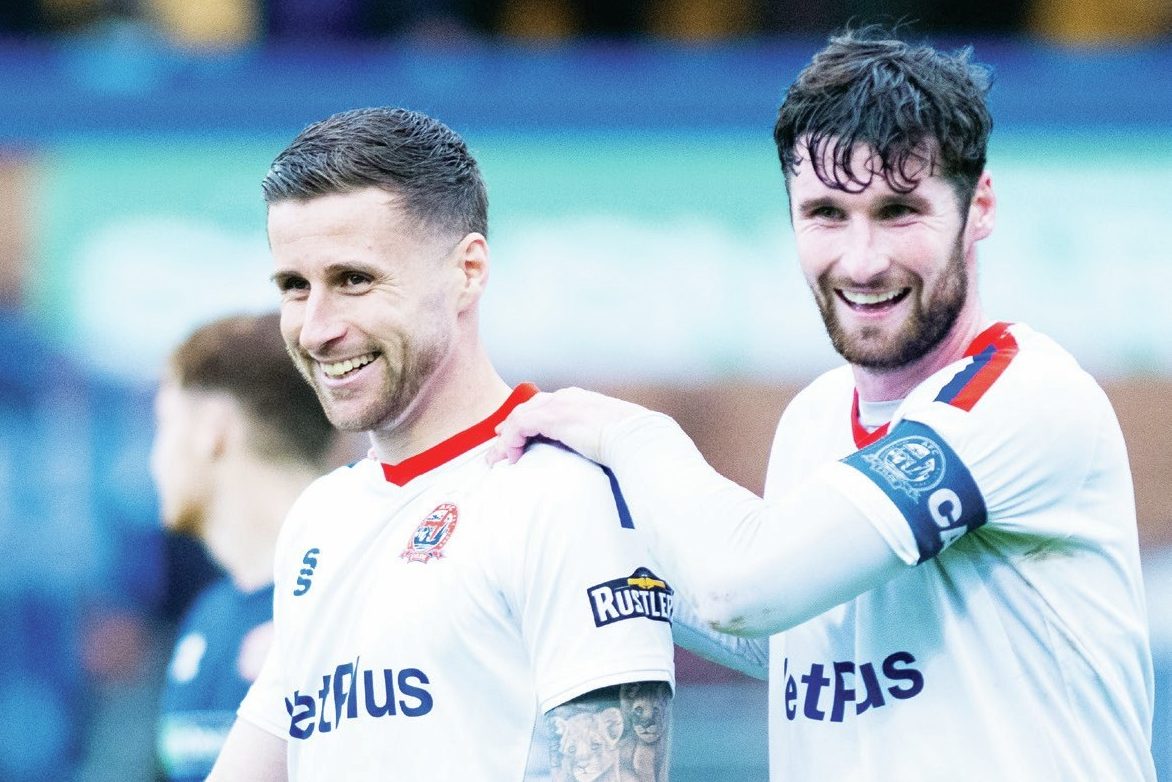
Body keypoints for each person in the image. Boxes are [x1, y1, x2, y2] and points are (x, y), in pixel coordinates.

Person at [491, 27, 1157, 780]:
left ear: (981, 207)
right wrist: (575, 534)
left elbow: (743, 589)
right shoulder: (815, 416)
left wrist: (626, 433)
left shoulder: (1022, 398)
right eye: (827, 214)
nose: (863, 260)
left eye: (900, 211)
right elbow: (798, 634)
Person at [207, 107, 675, 780]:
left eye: (354, 280)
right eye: (294, 287)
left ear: (468, 270)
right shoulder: (320, 519)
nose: (315, 330)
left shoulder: (559, 495)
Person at [151, 312, 337, 781]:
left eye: (163, 423)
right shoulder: (209, 616)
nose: (154, 459)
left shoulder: (357, 602)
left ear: (211, 427)